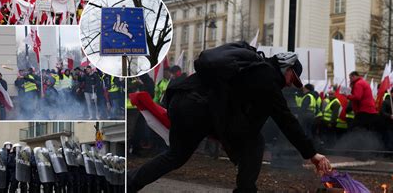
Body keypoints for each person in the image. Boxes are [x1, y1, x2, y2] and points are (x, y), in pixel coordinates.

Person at [127, 42, 331, 193]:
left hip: (186, 101)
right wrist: (312, 154)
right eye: (292, 79)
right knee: (254, 143)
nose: (290, 84)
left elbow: (249, 116)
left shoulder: (253, 69)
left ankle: (126, 183)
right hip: (197, 108)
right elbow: (285, 119)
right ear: (286, 68)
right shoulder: (266, 77)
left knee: (176, 156)